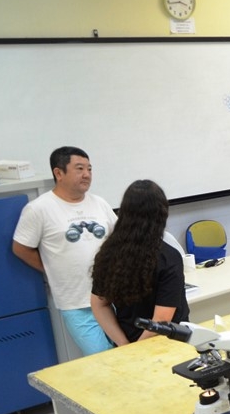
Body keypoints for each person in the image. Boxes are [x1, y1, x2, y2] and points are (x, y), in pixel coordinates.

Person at [12, 146, 118, 356]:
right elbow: (20, 248)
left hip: (112, 297)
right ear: (58, 173)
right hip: (76, 301)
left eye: (89, 169)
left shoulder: (100, 203)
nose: (86, 174)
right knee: (103, 358)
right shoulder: (39, 209)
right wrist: (50, 269)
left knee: (127, 352)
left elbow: (119, 240)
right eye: (79, 169)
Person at [90, 180, 189, 346]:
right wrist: (136, 349)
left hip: (128, 341)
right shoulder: (168, 257)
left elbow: (99, 304)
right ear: (162, 213)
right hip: (168, 346)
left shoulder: (108, 254)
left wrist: (124, 345)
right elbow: (162, 321)